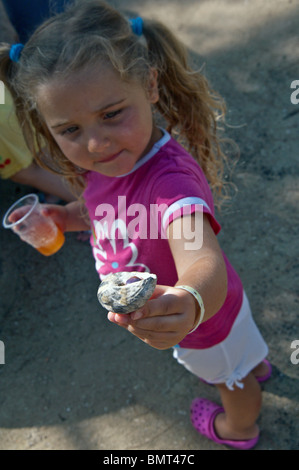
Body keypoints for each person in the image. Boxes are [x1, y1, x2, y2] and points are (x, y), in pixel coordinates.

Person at [0, 0, 271, 449]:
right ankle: (249, 361)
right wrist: (65, 218)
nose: (95, 142)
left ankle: (239, 429)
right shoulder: (103, 168)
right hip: (196, 319)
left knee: (232, 379)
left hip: (203, 319)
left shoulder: (170, 184)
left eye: (111, 115)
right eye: (69, 130)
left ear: (150, 85)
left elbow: (202, 258)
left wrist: (191, 300)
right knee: (236, 359)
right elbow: (103, 207)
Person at [0, 0, 75, 202]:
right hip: (4, 91)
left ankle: (90, 208)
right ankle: (79, 188)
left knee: (23, 171)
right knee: (40, 146)